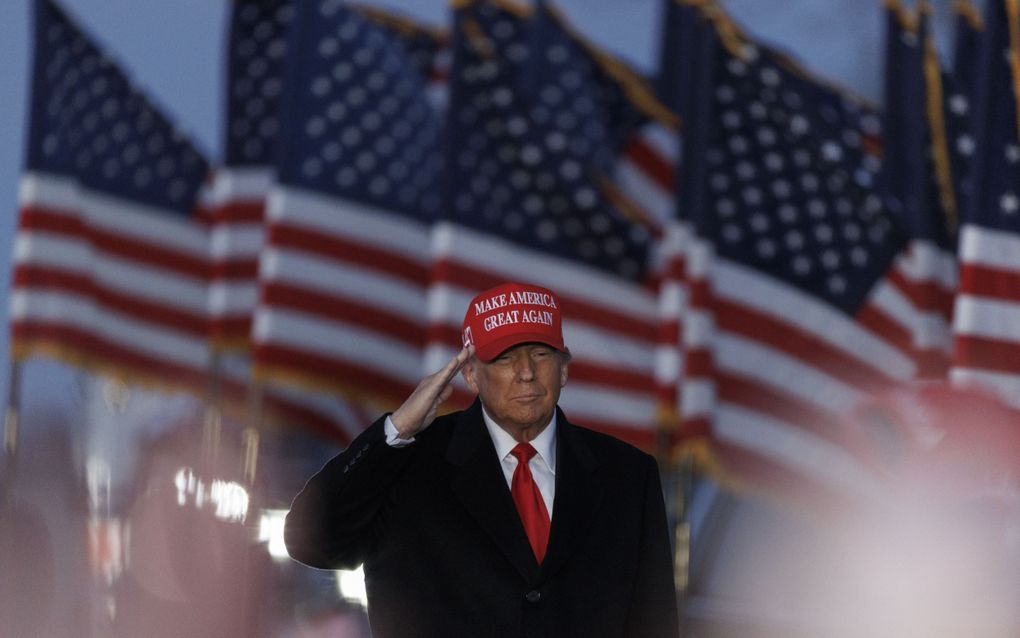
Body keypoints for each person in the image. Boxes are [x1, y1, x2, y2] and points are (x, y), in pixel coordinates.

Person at [284, 282, 680, 638]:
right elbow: (310, 540)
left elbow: (654, 622)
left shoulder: (627, 476)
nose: (526, 373)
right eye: (506, 359)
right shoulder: (407, 462)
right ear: (471, 375)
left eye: (541, 354)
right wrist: (397, 429)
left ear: (564, 370)